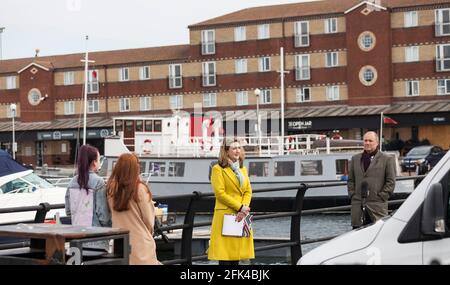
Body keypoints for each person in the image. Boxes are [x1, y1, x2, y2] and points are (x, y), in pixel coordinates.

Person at [106, 153, 161, 265]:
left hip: (120, 243)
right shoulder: (140, 189)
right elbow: (148, 219)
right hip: (141, 244)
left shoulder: (111, 190)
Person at [208, 137, 255, 265]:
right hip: (225, 216)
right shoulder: (218, 169)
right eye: (234, 148)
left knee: (237, 255)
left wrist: (244, 208)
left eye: (239, 148)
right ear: (226, 151)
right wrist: (240, 207)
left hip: (241, 215)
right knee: (225, 257)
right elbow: (220, 193)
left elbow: (248, 191)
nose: (237, 151)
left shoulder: (242, 169)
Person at [65, 144, 111, 251]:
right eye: (99, 159)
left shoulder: (72, 182)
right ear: (94, 162)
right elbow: (103, 216)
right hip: (97, 240)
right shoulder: (98, 182)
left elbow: (68, 211)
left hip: (77, 239)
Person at [347, 131, 396, 229]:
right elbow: (351, 180)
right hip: (358, 206)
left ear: (377, 143)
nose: (367, 143)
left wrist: (381, 196)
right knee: (357, 237)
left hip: (377, 207)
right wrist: (353, 195)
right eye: (365, 140)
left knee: (378, 235)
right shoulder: (355, 159)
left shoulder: (387, 159)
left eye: (370, 141)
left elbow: (391, 181)